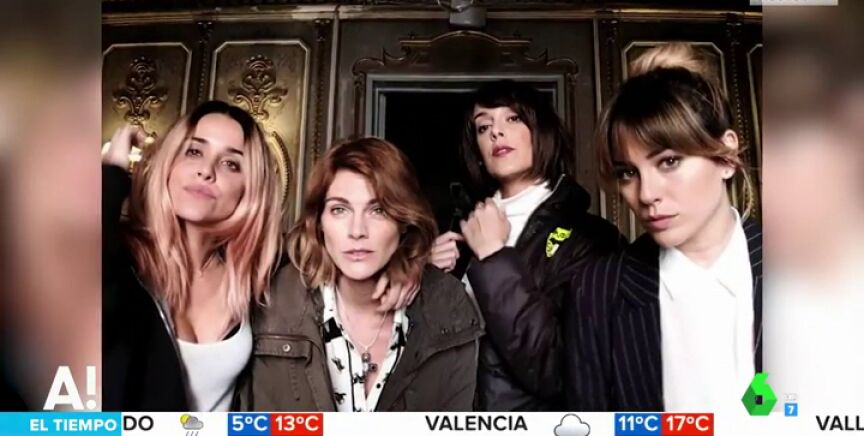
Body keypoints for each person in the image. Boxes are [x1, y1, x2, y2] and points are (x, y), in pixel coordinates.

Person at [565, 43, 762, 413]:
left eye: (669, 162)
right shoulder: (598, 290)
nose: (646, 194)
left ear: (726, 157)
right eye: (628, 172)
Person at [233, 137, 483, 411]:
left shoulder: (447, 306)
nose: (357, 231)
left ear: (403, 221)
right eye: (339, 210)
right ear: (319, 222)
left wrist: (417, 263)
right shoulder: (275, 301)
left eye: (378, 210)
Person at [428, 80, 623, 411]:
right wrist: (426, 280)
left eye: (513, 118)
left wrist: (493, 258)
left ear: (541, 132)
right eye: (483, 127)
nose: (496, 132)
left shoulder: (590, 237)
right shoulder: (458, 230)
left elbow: (559, 371)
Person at [102, 101, 284, 411]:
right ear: (169, 164)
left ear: (249, 188)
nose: (206, 171)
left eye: (231, 164)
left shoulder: (253, 277)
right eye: (194, 152)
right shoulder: (120, 257)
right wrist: (112, 174)